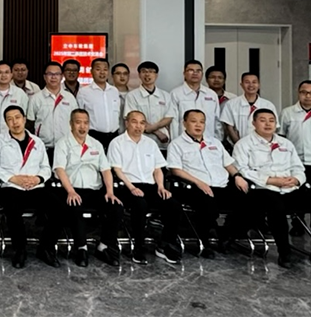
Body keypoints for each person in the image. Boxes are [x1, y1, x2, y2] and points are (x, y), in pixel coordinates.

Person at [233, 109, 311, 270]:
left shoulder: (286, 143)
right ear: (254, 123)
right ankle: (285, 253)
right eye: (262, 120)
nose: (268, 124)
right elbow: (242, 170)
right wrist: (270, 180)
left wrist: (296, 179)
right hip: (262, 190)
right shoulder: (243, 144)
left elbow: (298, 167)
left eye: (271, 120)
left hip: (289, 190)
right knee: (277, 207)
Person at [166, 109, 248, 258]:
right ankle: (205, 243)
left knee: (248, 200)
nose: (198, 125)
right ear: (184, 123)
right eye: (193, 121)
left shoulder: (215, 142)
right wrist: (199, 182)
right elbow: (175, 170)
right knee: (208, 205)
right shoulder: (177, 144)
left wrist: (237, 176)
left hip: (221, 185)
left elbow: (228, 164)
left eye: (202, 122)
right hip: (193, 187)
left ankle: (226, 235)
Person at [0, 105, 59, 268]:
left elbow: (46, 167)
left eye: (17, 117)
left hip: (35, 187)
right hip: (10, 187)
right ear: (6, 123)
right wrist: (13, 178)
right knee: (13, 209)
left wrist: (37, 179)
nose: (15, 122)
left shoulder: (37, 142)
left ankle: (46, 248)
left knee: (59, 208)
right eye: (10, 119)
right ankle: (20, 250)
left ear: (25, 119)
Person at [109, 111, 183, 265]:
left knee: (173, 205)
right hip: (127, 186)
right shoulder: (117, 143)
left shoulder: (150, 143)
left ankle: (165, 244)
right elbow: (117, 170)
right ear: (127, 123)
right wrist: (131, 187)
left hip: (150, 186)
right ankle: (138, 247)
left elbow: (158, 169)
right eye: (134, 122)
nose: (138, 126)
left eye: (142, 123)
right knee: (140, 204)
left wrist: (161, 187)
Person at [52, 109, 123, 267]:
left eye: (85, 123)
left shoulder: (96, 144)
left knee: (116, 207)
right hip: (72, 189)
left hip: (94, 190)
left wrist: (110, 192)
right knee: (75, 207)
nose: (82, 126)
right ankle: (81, 248)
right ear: (71, 124)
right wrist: (70, 191)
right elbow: (60, 169)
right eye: (78, 122)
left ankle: (104, 246)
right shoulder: (63, 143)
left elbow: (105, 170)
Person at [26, 61, 77, 154]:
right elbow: (30, 124)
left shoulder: (70, 98)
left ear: (62, 76)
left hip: (66, 147)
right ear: (44, 77)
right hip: (43, 147)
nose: (53, 77)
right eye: (50, 74)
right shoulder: (36, 98)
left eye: (57, 74)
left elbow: (75, 121)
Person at [123, 61, 173, 149]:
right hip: (140, 138)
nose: (147, 74)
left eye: (151, 71)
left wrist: (153, 128)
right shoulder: (132, 96)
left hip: (163, 141)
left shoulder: (166, 95)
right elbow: (132, 118)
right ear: (139, 75)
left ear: (156, 75)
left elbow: (169, 117)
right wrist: (158, 132)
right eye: (144, 71)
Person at [169, 60, 223, 142]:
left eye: (198, 71)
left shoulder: (211, 94)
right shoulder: (176, 94)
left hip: (208, 141)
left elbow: (217, 121)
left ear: (202, 74)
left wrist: (217, 141)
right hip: (184, 141)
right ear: (184, 73)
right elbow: (174, 122)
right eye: (191, 70)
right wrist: (176, 142)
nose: (195, 73)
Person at [220, 72, 277, 145]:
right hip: (236, 145)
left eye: (254, 82)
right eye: (247, 82)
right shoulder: (231, 104)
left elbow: (274, 127)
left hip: (263, 146)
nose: (251, 85)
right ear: (241, 85)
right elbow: (229, 127)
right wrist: (239, 145)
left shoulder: (268, 105)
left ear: (259, 85)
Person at [75, 58, 120, 150]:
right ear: (91, 71)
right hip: (94, 136)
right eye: (98, 69)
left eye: (105, 69)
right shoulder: (84, 92)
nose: (102, 72)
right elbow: (78, 116)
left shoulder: (114, 91)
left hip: (114, 136)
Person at [111, 63, 130, 133]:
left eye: (125, 74)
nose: (122, 76)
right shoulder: (107, 95)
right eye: (118, 73)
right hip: (112, 133)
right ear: (112, 76)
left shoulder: (133, 95)